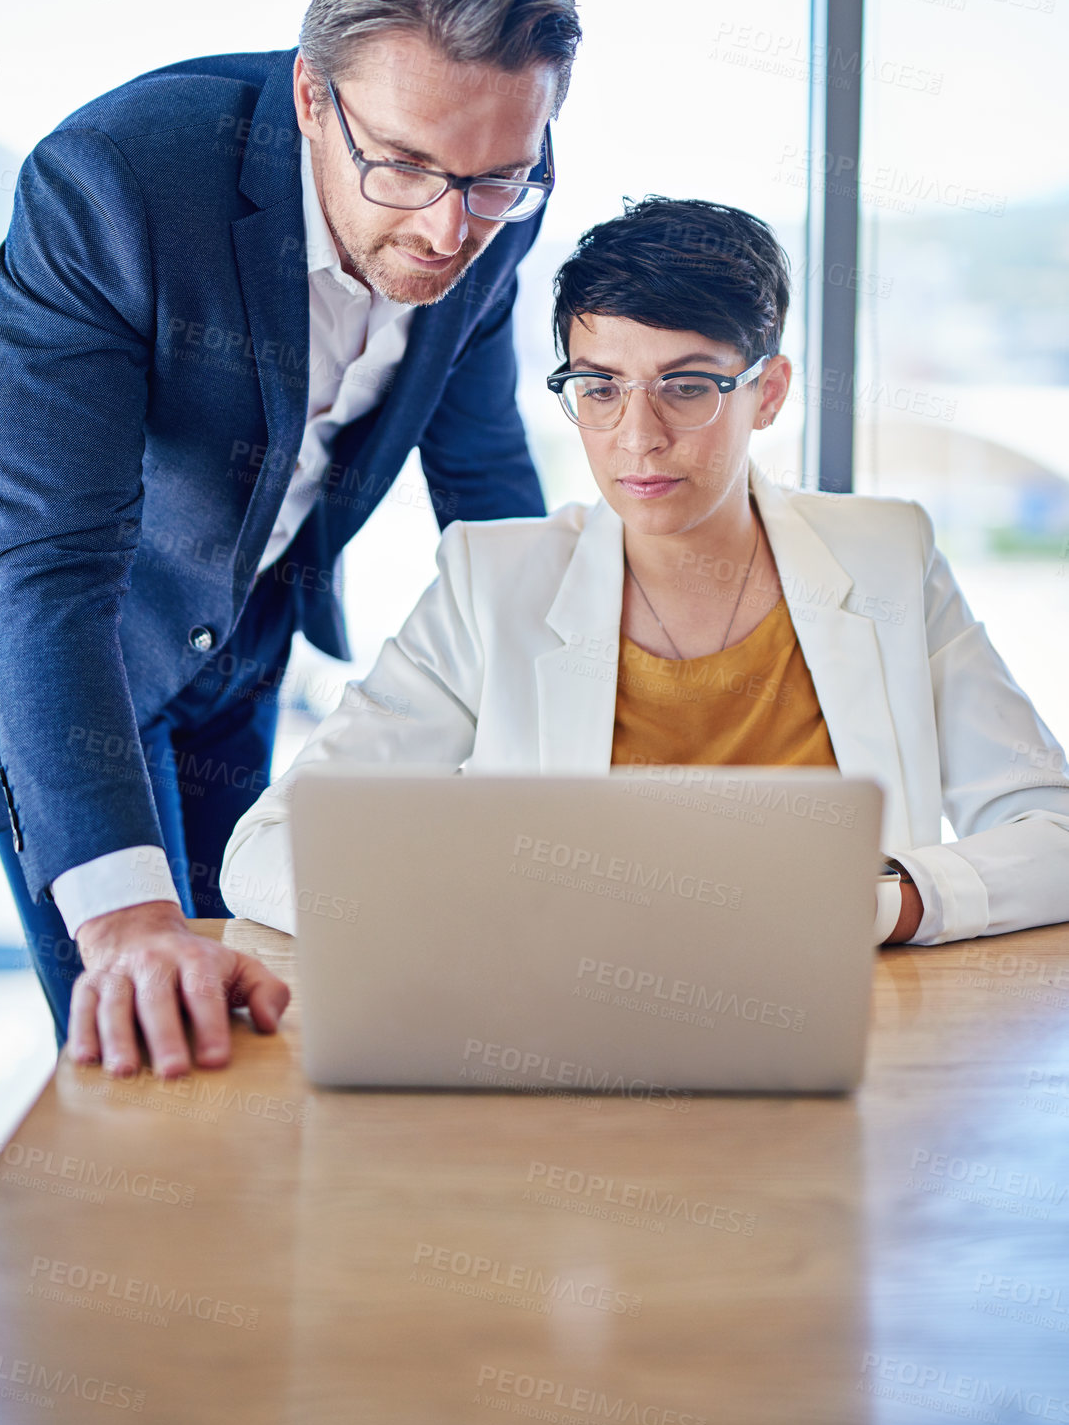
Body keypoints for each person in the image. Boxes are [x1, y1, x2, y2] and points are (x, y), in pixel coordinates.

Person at [0, 0, 581, 1075]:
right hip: (78, 647)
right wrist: (126, 916)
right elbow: (49, 562)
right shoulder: (116, 181)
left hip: (250, 629)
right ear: (312, 97)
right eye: (407, 167)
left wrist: (568, 718)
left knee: (265, 1008)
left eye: (495, 182)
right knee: (157, 1031)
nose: (449, 228)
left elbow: (478, 463)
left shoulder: (494, 179)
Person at [220, 197, 1069, 948]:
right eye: (599, 387)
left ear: (767, 393)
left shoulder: (887, 557)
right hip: (574, 1048)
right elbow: (266, 852)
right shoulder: (494, 585)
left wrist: (893, 903)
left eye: (687, 386)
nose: (637, 435)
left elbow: (1054, 832)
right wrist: (485, 916)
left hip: (860, 1047)